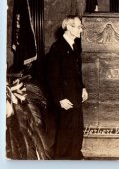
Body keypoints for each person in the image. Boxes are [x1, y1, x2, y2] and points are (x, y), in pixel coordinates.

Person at [47, 15, 88, 159]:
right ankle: (61, 160)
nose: (81, 30)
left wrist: (82, 87)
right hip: (65, 98)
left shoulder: (75, 46)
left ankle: (76, 156)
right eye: (78, 27)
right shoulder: (57, 48)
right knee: (65, 132)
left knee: (76, 130)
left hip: (76, 95)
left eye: (81, 27)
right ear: (69, 27)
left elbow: (76, 72)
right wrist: (60, 99)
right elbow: (53, 77)